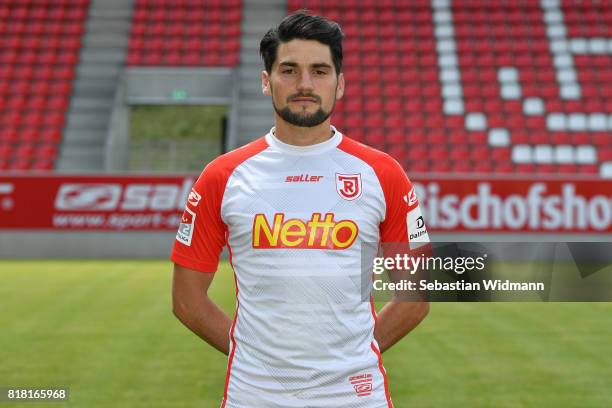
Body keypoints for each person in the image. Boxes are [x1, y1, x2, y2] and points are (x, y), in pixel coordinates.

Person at [171, 10, 430, 408]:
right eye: (289, 70)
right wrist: (258, 361)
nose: (305, 84)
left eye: (320, 71)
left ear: (340, 84)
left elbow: (416, 295)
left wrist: (349, 359)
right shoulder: (222, 175)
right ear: (266, 81)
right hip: (253, 397)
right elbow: (187, 300)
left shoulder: (383, 173)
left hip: (358, 399)